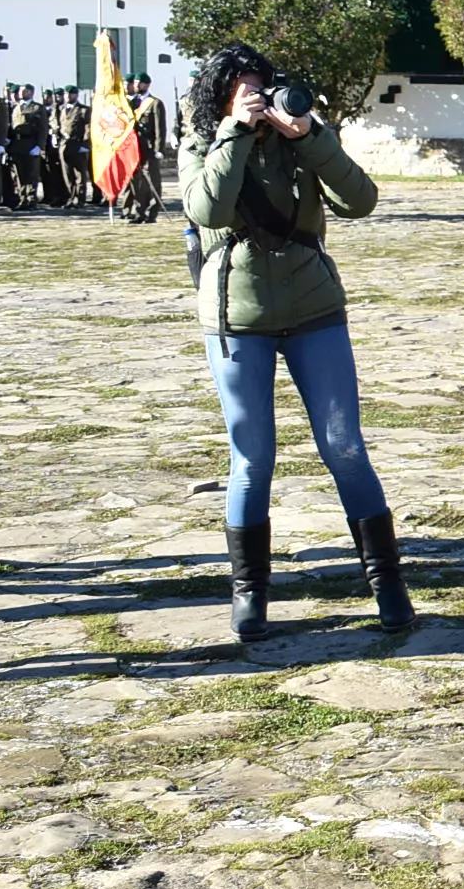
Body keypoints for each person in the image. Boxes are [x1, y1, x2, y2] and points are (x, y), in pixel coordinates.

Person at [183, 43, 411, 639]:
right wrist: (235, 133)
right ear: (220, 100)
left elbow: (361, 200)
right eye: (244, 93)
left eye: (263, 89)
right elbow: (208, 210)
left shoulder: (300, 138)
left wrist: (310, 136)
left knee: (345, 446)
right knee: (252, 458)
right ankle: (249, 591)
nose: (259, 102)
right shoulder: (202, 143)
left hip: (314, 308)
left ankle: (387, 582)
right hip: (238, 317)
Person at [122, 75, 168, 223]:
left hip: (150, 148)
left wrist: (159, 149)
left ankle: (151, 213)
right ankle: (139, 212)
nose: (135, 86)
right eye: (134, 83)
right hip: (135, 148)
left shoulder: (154, 103)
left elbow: (160, 129)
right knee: (137, 182)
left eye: (138, 83)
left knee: (152, 182)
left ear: (146, 85)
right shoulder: (132, 103)